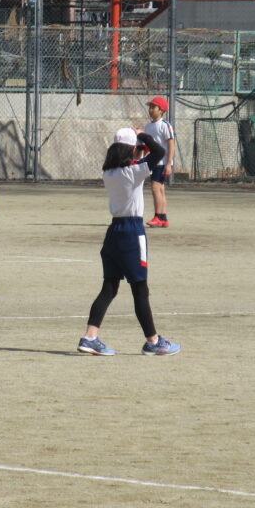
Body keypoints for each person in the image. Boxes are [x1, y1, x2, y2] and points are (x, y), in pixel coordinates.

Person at [77, 126, 181, 357]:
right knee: (140, 289)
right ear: (131, 150)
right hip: (132, 232)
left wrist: (137, 146)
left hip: (113, 232)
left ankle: (90, 337)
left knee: (109, 287)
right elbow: (158, 152)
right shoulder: (134, 172)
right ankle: (153, 341)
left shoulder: (109, 172)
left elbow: (141, 160)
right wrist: (142, 135)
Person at [144, 95, 175, 228]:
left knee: (155, 188)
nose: (150, 110)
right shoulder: (148, 126)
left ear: (161, 110)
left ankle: (157, 217)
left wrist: (169, 163)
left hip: (162, 163)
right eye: (150, 107)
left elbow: (171, 145)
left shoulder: (165, 125)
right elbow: (147, 146)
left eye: (153, 107)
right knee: (160, 189)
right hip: (153, 162)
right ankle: (163, 218)